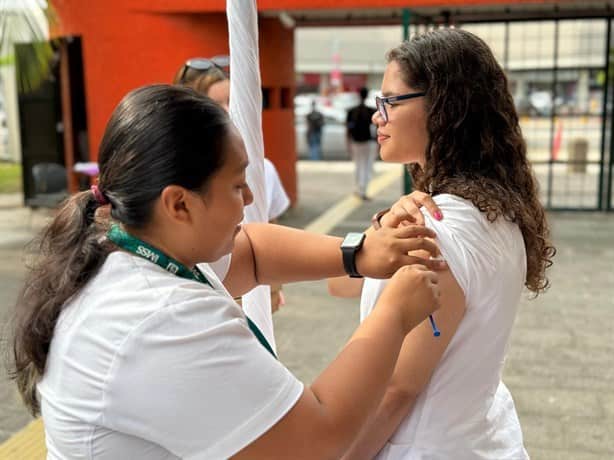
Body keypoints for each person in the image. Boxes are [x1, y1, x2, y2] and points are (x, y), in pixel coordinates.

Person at [9, 84, 446, 459]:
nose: (251, 194)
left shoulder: (128, 245)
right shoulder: (160, 319)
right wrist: (392, 315)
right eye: (237, 185)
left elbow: (252, 251)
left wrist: (359, 252)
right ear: (179, 203)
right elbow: (317, 440)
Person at [330, 29, 556, 459]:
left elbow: (398, 387)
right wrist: (379, 234)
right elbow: (341, 282)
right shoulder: (494, 211)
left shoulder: (438, 229)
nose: (378, 116)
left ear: (444, 109)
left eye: (390, 101)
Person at [173, 56, 291, 312]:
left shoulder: (263, 169)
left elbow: (270, 228)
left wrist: (274, 287)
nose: (228, 111)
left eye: (232, 102)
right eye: (217, 104)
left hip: (250, 295)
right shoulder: (172, 173)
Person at [346, 87, 377, 200]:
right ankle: (363, 191)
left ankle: (359, 189)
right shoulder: (371, 111)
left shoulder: (352, 111)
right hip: (369, 143)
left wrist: (348, 143)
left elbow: (348, 130)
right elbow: (375, 129)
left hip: (355, 142)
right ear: (367, 95)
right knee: (367, 167)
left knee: (359, 166)